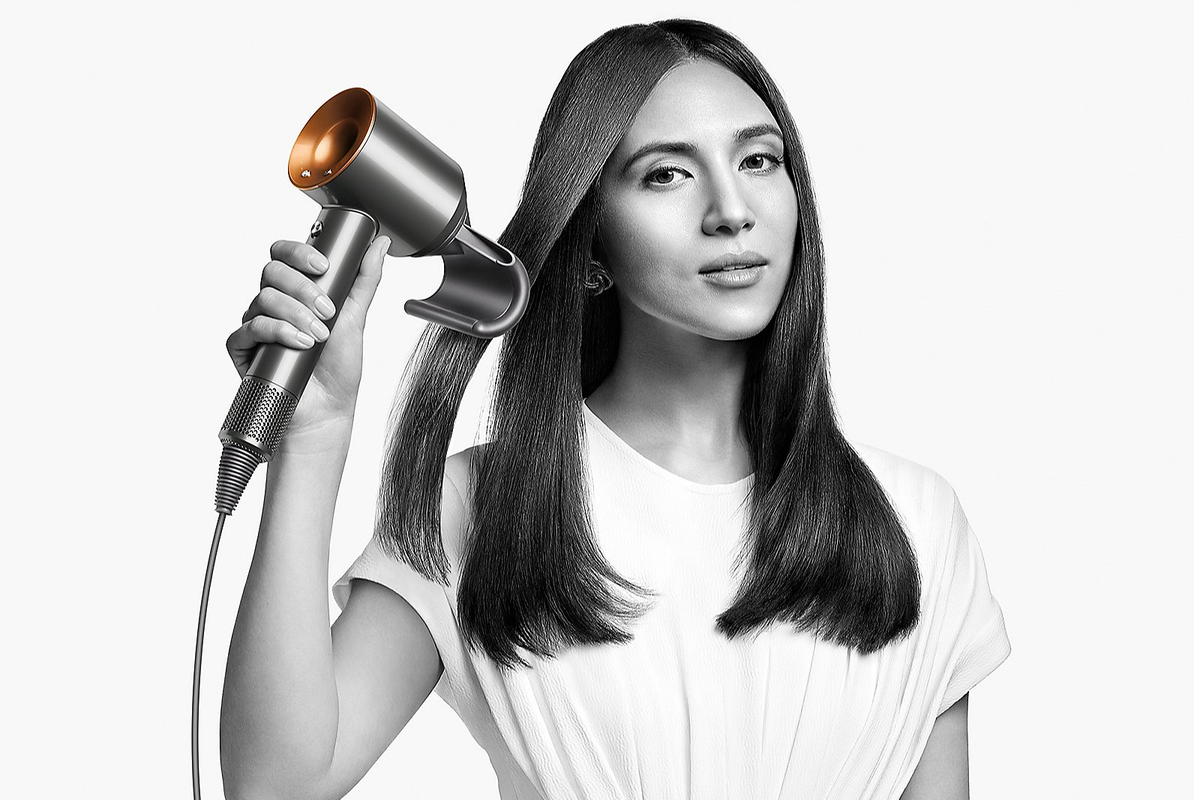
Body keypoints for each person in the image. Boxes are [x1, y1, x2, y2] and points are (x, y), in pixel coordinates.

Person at [220, 18, 1011, 800]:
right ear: (591, 240)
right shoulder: (481, 511)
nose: (732, 210)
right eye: (667, 174)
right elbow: (275, 784)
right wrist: (312, 441)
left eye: (760, 159)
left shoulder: (913, 522)